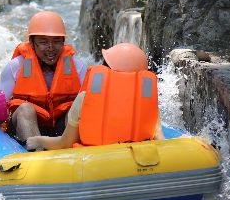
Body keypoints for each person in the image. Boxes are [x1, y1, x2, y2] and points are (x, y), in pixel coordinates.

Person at [26, 43, 165, 150]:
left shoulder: (84, 99)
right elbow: (160, 139)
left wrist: (38, 140)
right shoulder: (147, 102)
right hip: (135, 161)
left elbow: (65, 143)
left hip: (93, 162)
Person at [0, 10, 87, 144]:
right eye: (43, 42)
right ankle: (36, 152)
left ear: (63, 42)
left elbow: (90, 104)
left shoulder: (78, 66)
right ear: (32, 42)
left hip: (62, 131)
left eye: (57, 41)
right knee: (25, 109)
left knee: (76, 107)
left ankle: (70, 150)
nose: (51, 48)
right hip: (26, 127)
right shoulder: (16, 66)